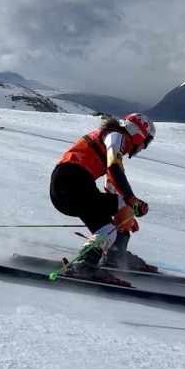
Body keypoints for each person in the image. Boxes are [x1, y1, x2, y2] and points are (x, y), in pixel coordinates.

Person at [50, 113, 156, 282]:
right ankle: (89, 264)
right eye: (147, 141)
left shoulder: (110, 137)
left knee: (108, 227)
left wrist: (125, 216)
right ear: (139, 134)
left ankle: (111, 255)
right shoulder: (116, 136)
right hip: (72, 182)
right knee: (122, 209)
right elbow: (114, 167)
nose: (144, 147)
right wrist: (132, 201)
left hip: (66, 186)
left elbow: (112, 186)